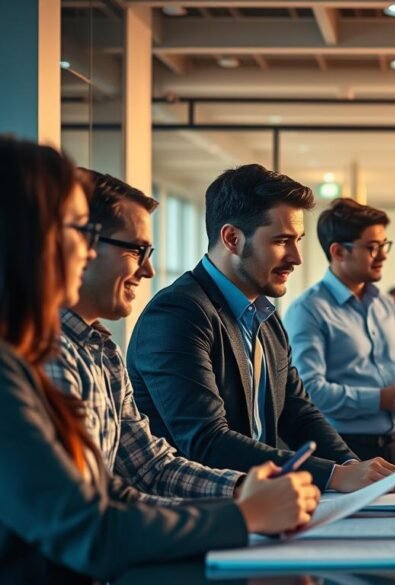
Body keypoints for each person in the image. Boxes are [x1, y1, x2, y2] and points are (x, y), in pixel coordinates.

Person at [0, 138, 316, 582]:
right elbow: (90, 530)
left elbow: (128, 483)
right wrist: (241, 517)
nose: (87, 251)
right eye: (79, 231)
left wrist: (244, 497)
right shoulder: (20, 365)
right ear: (29, 239)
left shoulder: (92, 349)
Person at [127, 164, 395, 493]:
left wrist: (352, 468)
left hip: (259, 504)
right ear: (232, 238)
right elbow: (206, 441)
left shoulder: (265, 315)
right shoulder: (178, 313)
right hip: (197, 512)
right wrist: (333, 475)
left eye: (298, 241)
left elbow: (298, 412)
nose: (296, 257)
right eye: (282, 241)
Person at [44, 170, 245, 504]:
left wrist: (242, 490)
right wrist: (241, 512)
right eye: (137, 250)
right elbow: (85, 510)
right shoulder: (49, 352)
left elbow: (149, 468)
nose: (148, 270)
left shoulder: (101, 349)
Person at [284, 198, 395, 465]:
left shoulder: (387, 305)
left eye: (384, 245)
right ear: (338, 252)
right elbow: (311, 391)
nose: (383, 255)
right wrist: (381, 399)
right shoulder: (309, 310)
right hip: (342, 449)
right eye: (372, 247)